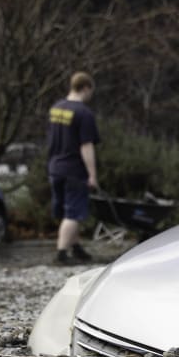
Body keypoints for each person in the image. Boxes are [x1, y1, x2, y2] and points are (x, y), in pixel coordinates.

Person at [47, 71, 100, 265]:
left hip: (55, 167)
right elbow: (86, 146)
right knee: (74, 213)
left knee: (66, 211)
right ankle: (61, 253)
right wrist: (92, 174)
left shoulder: (56, 108)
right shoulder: (83, 113)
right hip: (74, 169)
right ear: (86, 88)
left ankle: (76, 247)